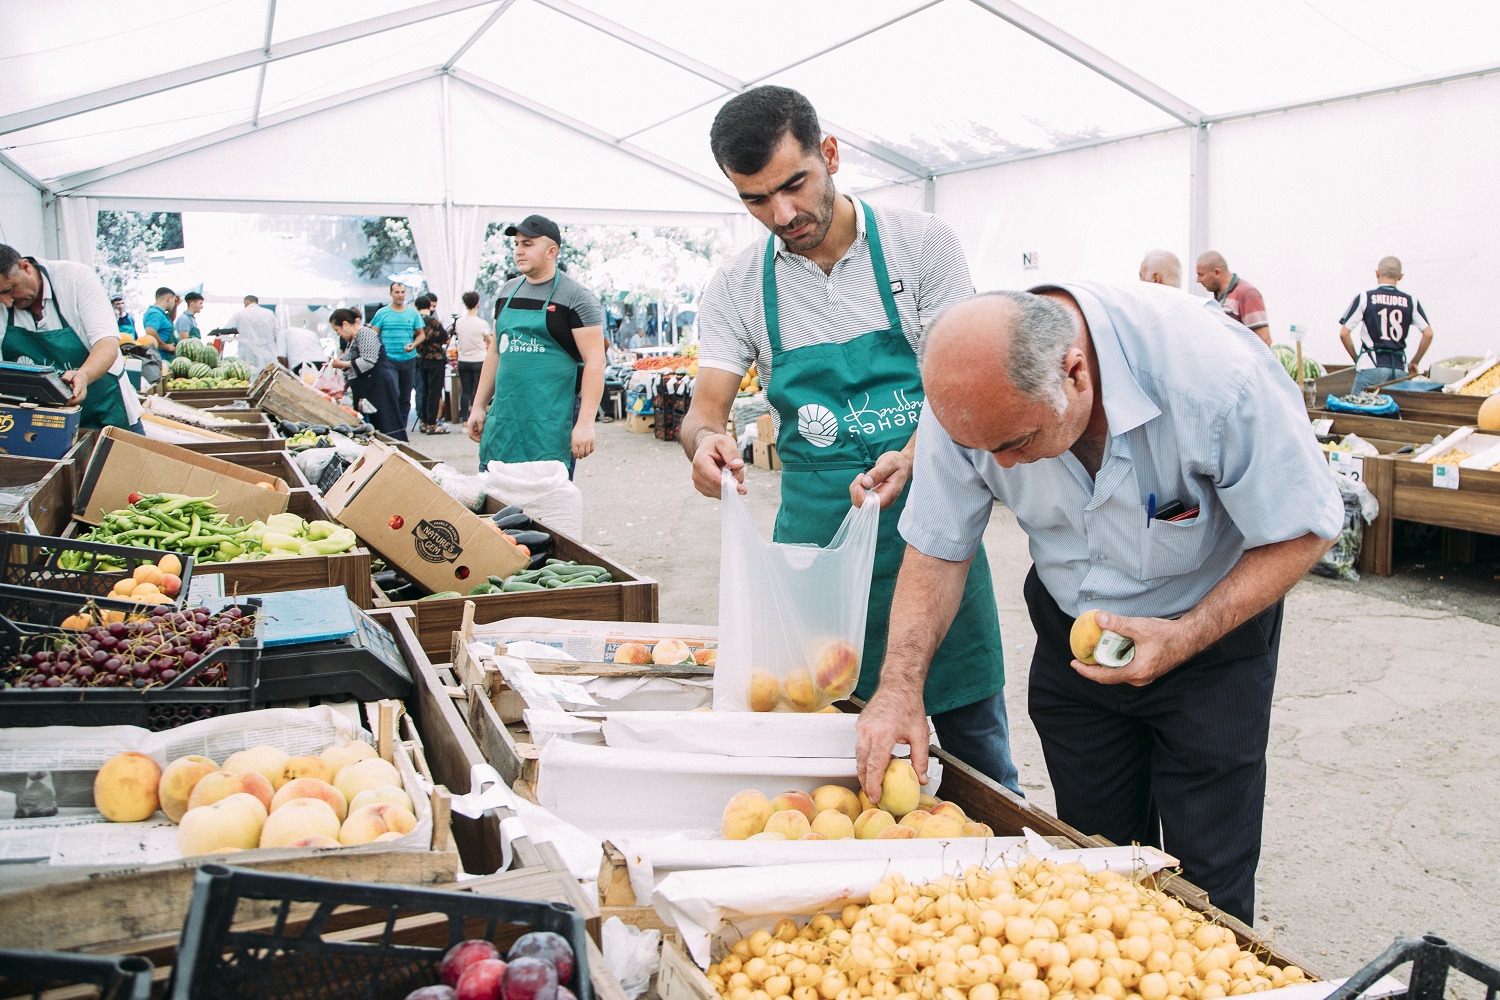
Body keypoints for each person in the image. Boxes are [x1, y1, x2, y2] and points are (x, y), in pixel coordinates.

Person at [856, 282, 1344, 924]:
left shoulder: (1215, 380)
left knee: (1208, 882)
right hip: (1073, 640)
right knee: (1097, 865)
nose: (1004, 465)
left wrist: (1184, 636)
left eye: (1017, 441)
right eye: (985, 450)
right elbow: (938, 547)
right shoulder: (969, 408)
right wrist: (899, 687)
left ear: (1076, 373)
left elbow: (1305, 528)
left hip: (1209, 638)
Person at [679, 85, 1016, 792]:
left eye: (794, 185)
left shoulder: (921, 247)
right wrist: (705, 443)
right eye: (755, 200)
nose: (782, 215)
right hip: (817, 555)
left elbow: (967, 386)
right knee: (827, 774)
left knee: (980, 767)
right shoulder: (738, 287)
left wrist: (916, 454)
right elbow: (703, 412)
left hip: (934, 540)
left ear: (829, 154)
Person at [468, 215, 605, 478]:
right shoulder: (507, 292)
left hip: (552, 418)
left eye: (528, 244)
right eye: (517, 244)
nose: (519, 250)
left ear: (551, 251)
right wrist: (478, 406)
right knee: (495, 488)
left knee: (545, 493)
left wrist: (586, 422)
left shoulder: (576, 297)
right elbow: (495, 352)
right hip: (506, 414)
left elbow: (595, 362)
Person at [0, 244, 143, 431]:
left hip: (105, 410)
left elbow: (107, 343)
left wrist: (84, 375)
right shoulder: (3, 303)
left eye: (9, 289)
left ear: (25, 267)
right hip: (43, 424)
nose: (6, 301)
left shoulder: (75, 279)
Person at [1338, 256, 1436, 392]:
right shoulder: (1411, 301)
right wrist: (1414, 362)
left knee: (1357, 405)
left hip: (1371, 365)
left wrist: (1358, 359)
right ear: (1400, 277)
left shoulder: (1365, 297)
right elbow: (1428, 334)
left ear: (1377, 273)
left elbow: (1344, 333)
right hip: (1399, 368)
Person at [329, 308, 405, 439]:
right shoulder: (353, 339)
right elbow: (347, 360)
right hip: (366, 386)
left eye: (337, 330)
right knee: (371, 426)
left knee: (384, 422)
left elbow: (367, 361)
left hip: (377, 385)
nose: (338, 334)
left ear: (345, 324)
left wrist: (340, 364)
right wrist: (335, 363)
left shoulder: (366, 334)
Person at [370, 282, 423, 435]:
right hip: (388, 360)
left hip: (409, 359)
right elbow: (372, 334)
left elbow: (421, 334)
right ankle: (392, 428)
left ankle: (401, 429)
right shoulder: (382, 313)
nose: (400, 295)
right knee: (393, 393)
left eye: (402, 292)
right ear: (391, 293)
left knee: (406, 397)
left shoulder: (413, 313)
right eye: (397, 292)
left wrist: (414, 344)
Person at [1195, 251, 1270, 344]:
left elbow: (1264, 340)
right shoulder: (1218, 295)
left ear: (1217, 272)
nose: (1198, 280)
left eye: (1201, 275)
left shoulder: (1247, 294)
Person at [413, 293, 451, 434]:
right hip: (435, 360)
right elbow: (444, 338)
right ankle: (432, 423)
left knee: (424, 391)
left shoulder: (415, 321)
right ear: (429, 306)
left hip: (421, 359)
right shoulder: (433, 321)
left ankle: (423, 421)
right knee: (434, 392)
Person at [224, 295, 287, 376]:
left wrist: (227, 339)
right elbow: (277, 333)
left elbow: (226, 330)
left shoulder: (239, 314)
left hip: (249, 354)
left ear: (246, 302)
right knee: (269, 377)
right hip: (268, 353)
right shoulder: (269, 313)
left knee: (250, 377)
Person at [453, 291, 490, 423]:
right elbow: (488, 340)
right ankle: (476, 418)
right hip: (479, 359)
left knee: (465, 391)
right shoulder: (482, 323)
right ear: (477, 303)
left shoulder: (459, 322)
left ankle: (464, 420)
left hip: (463, 360)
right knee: (477, 390)